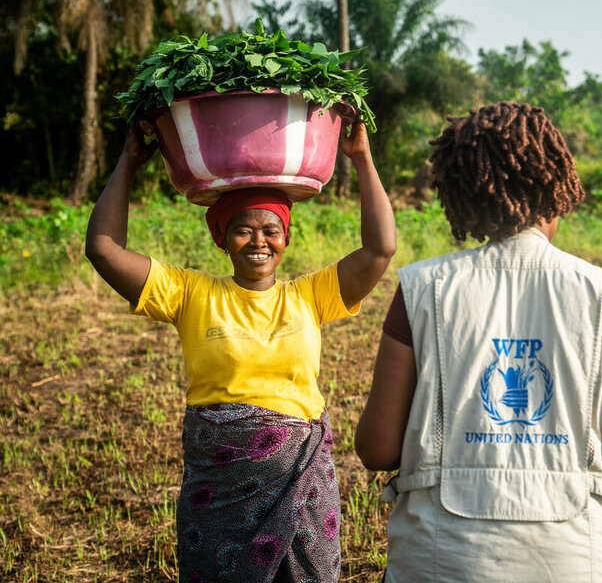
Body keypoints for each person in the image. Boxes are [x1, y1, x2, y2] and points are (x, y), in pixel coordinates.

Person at [354, 102, 602, 582]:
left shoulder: (423, 288)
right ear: (556, 187)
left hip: (444, 560)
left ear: (462, 193)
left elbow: (377, 448)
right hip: (581, 561)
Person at [84, 117, 396, 583]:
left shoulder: (310, 296)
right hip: (219, 486)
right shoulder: (191, 293)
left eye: (270, 230)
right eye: (242, 230)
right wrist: (128, 161)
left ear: (286, 238)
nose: (258, 241)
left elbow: (380, 249)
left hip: (300, 480)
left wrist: (361, 157)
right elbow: (103, 250)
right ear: (221, 238)